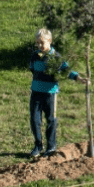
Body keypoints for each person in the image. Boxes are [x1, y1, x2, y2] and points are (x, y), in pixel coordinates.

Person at [28, 27, 83, 158]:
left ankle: (51, 147)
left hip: (50, 93)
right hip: (35, 92)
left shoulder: (56, 57)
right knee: (35, 120)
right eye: (38, 43)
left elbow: (66, 70)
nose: (40, 45)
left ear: (50, 41)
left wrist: (77, 77)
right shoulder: (34, 56)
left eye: (42, 42)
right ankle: (38, 145)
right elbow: (32, 68)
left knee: (51, 119)